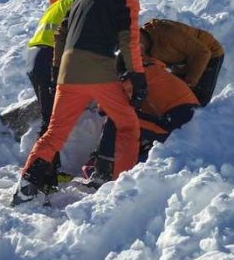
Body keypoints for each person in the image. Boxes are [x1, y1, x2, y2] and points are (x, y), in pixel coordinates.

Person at [12, 0, 148, 206]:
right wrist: (137, 77)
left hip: (68, 70)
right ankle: (122, 189)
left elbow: (62, 32)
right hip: (98, 68)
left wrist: (56, 69)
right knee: (128, 124)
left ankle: (28, 185)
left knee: (55, 132)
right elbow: (129, 40)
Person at [82, 54, 199, 186]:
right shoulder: (152, 71)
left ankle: (102, 173)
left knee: (117, 119)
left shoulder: (138, 76)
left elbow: (104, 108)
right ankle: (115, 169)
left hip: (175, 124)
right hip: (181, 123)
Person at [25, 0, 81, 170]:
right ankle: (41, 171)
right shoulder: (79, 1)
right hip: (50, 56)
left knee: (49, 117)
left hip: (35, 56)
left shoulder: (61, 0)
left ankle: (47, 169)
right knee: (52, 122)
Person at [141, 19, 224, 106]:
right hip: (182, 61)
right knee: (176, 96)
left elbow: (203, 53)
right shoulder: (141, 49)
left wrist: (190, 82)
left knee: (197, 100)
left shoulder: (167, 32)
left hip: (209, 54)